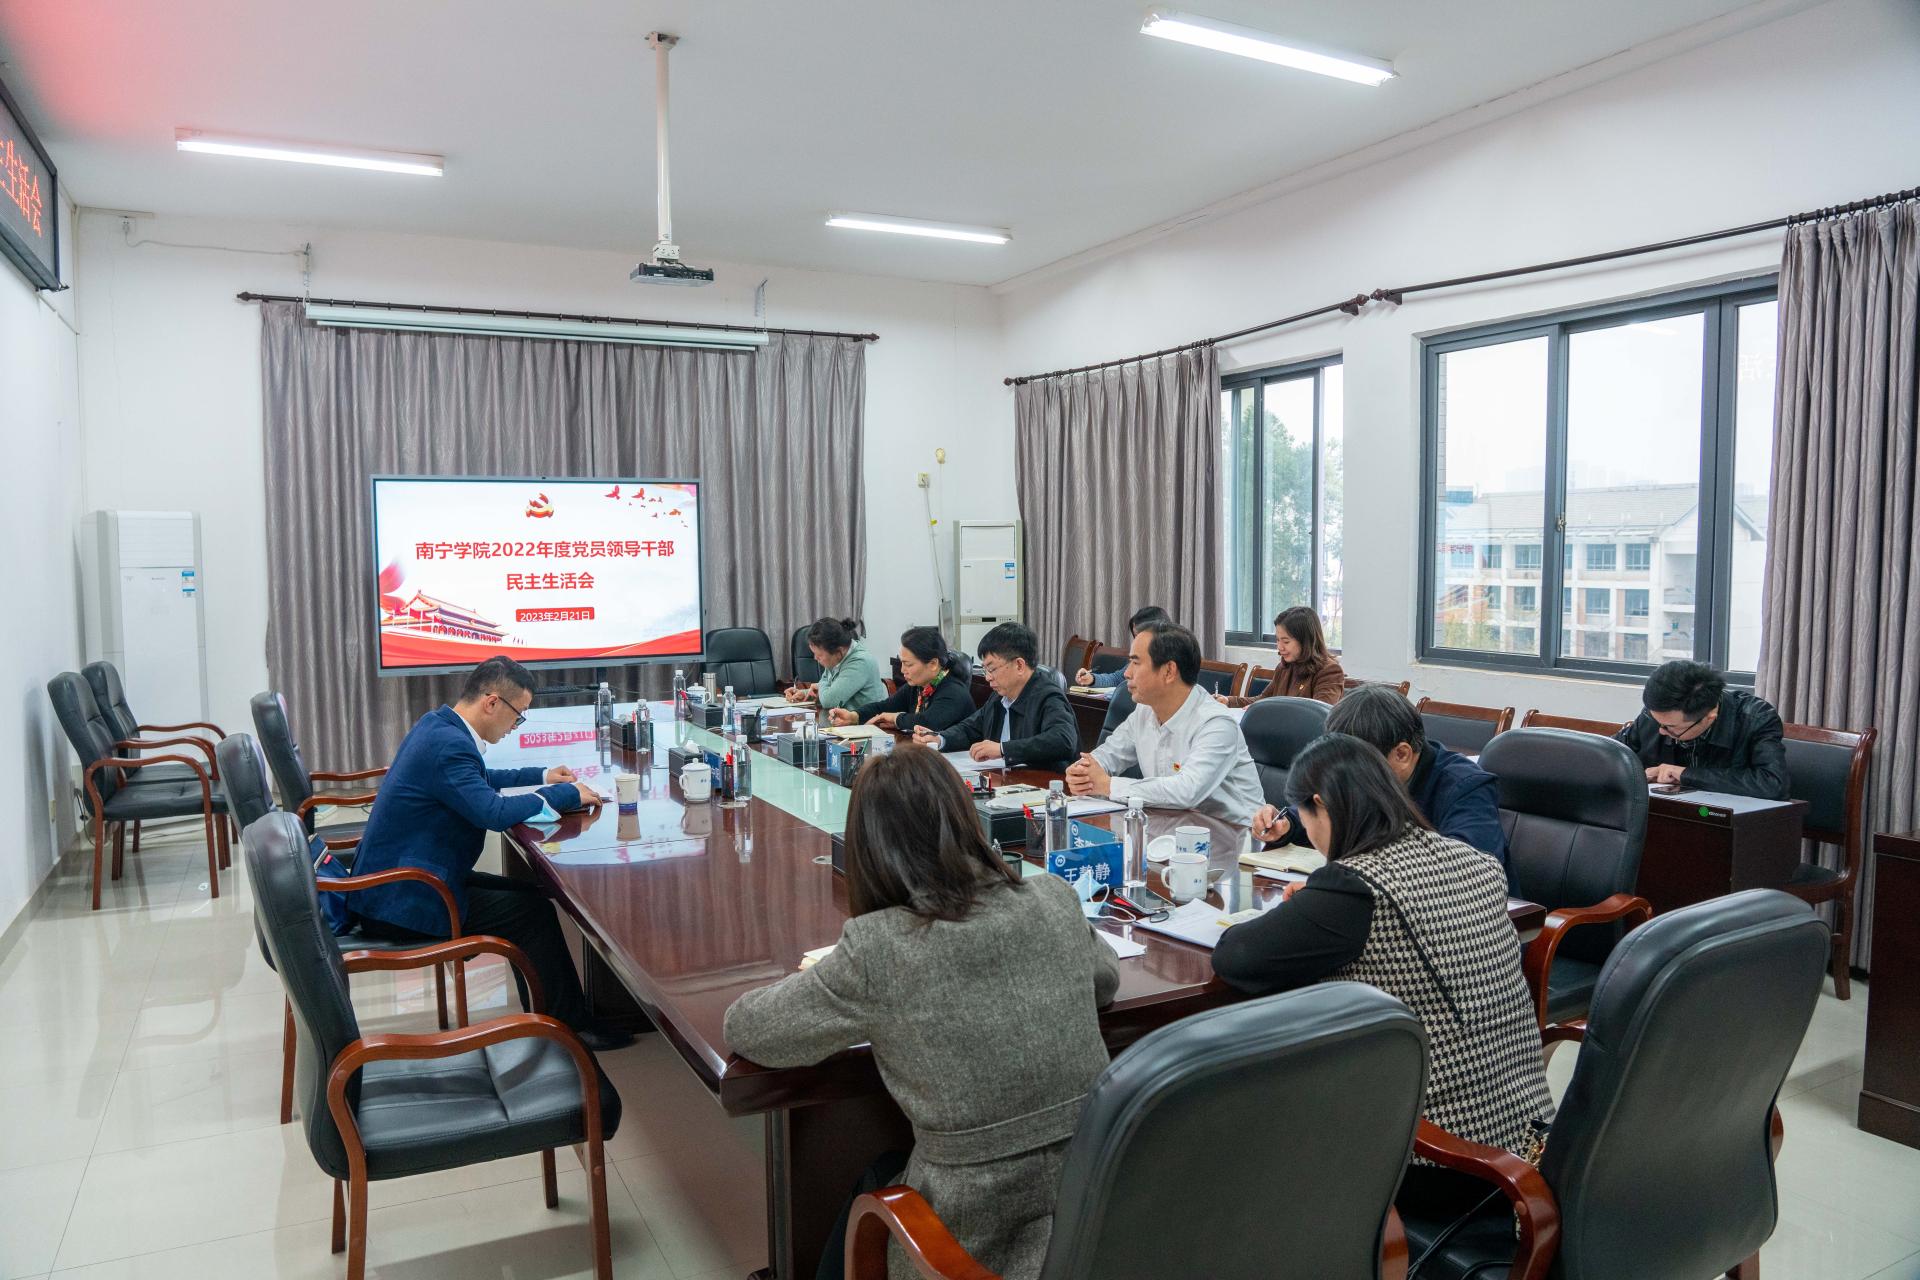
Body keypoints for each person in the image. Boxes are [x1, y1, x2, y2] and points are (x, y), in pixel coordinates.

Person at [724, 745, 1120, 1280]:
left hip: (968, 1244)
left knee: (875, 1177)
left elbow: (747, 1028)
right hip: (1096, 1214)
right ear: (967, 820)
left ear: (867, 849)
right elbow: (1105, 979)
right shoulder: (1051, 897)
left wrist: (828, 979)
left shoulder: (879, 947)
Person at [1213, 733, 1553, 1216]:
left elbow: (1236, 957)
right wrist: (1319, 907)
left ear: (1320, 806)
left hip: (1436, 1157)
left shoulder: (1356, 888)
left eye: (1305, 819)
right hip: (1524, 1138)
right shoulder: (1474, 862)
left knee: (1242, 1111)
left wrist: (1315, 908)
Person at [345, 657, 627, 1049]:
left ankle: (551, 1014)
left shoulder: (438, 726)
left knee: (534, 895)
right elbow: (492, 813)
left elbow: (478, 779)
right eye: (518, 715)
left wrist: (541, 776)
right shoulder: (449, 746)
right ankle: (569, 1029)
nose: (516, 726)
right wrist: (564, 794)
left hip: (406, 880)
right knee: (533, 914)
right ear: (492, 702)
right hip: (404, 900)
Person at [1250, 684, 1507, 866]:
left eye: (1360, 762)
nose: (1349, 776)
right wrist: (1288, 824)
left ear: (1402, 753)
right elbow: (1326, 807)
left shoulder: (1465, 787)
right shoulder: (1362, 776)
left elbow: (1467, 868)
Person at [1066, 622, 1264, 826]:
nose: (1127, 674)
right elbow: (1110, 753)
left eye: (1136, 663)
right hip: (1172, 828)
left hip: (1235, 837)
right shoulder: (1145, 711)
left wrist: (1108, 785)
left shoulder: (1216, 724)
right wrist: (1084, 772)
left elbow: (1187, 791)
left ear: (1169, 671)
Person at [914, 622, 1078, 771]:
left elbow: (1063, 740)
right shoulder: (999, 697)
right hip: (1006, 781)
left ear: (1019, 665)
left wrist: (1003, 749)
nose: (987, 677)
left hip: (1044, 786)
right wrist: (940, 738)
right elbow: (971, 728)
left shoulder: (1049, 696)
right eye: (985, 670)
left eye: (992, 669)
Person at [1615, 660, 1790, 799]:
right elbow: (1610, 756)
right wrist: (1637, 774)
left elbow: (1773, 784)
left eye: (1670, 728)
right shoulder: (1657, 714)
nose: (1661, 731)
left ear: (1709, 717)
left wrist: (1684, 774)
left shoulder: (1755, 718)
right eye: (1657, 721)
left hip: (1726, 820)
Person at [828, 625, 974, 734]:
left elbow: (927, 722)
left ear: (933, 664)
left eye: (908, 664)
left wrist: (896, 718)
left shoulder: (954, 692)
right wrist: (853, 716)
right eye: (901, 663)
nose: (903, 670)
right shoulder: (917, 686)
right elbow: (885, 707)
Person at [1221, 605, 1345, 707]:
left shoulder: (1329, 671)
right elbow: (1263, 700)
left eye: (1286, 641)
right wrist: (1228, 701)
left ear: (1305, 641)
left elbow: (1319, 715)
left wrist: (1270, 712)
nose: (1280, 647)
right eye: (1277, 640)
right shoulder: (1284, 667)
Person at [790, 617, 889, 712]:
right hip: (847, 719)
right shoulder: (837, 658)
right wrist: (804, 693)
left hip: (870, 722)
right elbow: (831, 687)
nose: (815, 658)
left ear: (839, 651)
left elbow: (829, 701)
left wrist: (821, 685)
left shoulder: (860, 662)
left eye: (819, 655)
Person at [1073, 605, 1171, 689]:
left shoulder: (1170, 663)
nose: (1136, 641)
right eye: (1135, 636)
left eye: (1140, 636)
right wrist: (1092, 679)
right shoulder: (1140, 657)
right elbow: (1117, 679)